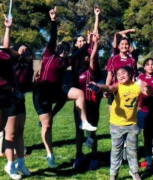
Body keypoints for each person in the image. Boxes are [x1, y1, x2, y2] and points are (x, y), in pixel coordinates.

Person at [32, 7, 96, 168]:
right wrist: (53, 21)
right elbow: (53, 38)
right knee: (47, 125)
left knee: (79, 93)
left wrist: (89, 43)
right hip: (42, 93)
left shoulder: (65, 62)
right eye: (62, 49)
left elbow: (78, 53)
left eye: (67, 50)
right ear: (57, 49)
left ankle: (83, 122)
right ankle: (50, 153)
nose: (65, 52)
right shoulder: (49, 55)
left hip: (55, 92)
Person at [90, 66, 153, 180]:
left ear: (130, 74)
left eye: (123, 73)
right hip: (117, 124)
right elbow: (109, 88)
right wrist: (99, 86)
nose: (121, 76)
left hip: (132, 124)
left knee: (133, 150)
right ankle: (113, 174)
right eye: (118, 74)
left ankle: (134, 171)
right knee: (116, 151)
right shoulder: (117, 86)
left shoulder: (136, 86)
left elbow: (150, 93)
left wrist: (147, 86)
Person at [70, 8, 102, 170]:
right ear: (76, 45)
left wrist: (96, 17)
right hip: (79, 103)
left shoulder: (91, 64)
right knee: (79, 130)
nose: (83, 43)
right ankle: (79, 155)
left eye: (85, 41)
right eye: (80, 41)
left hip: (93, 101)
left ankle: (94, 156)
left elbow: (94, 42)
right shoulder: (74, 62)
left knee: (93, 130)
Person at [4, 44, 34, 178]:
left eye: (27, 50)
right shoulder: (11, 63)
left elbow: (26, 85)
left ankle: (21, 163)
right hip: (8, 100)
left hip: (20, 100)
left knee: (20, 132)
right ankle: (10, 165)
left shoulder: (28, 66)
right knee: (10, 134)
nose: (24, 51)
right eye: (21, 49)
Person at [1, 14, 24, 180]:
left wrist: (8, 28)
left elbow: (6, 48)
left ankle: (11, 165)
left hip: (8, 95)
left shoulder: (4, 53)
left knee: (9, 133)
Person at [104, 37, 137, 115]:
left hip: (127, 92)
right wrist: (106, 89)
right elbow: (109, 76)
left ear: (129, 46)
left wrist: (133, 90)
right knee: (113, 116)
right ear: (118, 46)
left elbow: (133, 77)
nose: (124, 46)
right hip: (114, 90)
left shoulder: (132, 60)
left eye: (126, 44)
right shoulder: (113, 59)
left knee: (127, 116)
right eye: (122, 44)